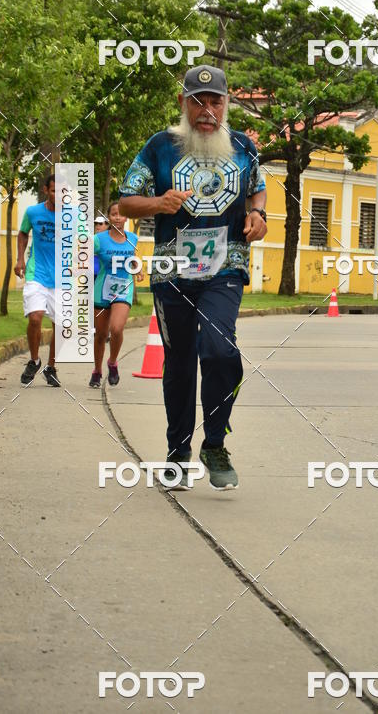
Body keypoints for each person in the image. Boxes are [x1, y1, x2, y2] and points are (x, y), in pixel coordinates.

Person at [118, 64, 267, 491]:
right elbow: (126, 202)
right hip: (171, 270)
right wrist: (158, 204)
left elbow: (257, 190)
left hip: (225, 267)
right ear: (183, 103)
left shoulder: (243, 147)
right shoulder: (159, 147)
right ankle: (178, 452)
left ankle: (215, 444)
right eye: (197, 100)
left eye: (215, 101)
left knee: (219, 350)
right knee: (180, 360)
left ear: (226, 105)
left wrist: (257, 215)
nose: (206, 109)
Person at [91, 201, 143, 388]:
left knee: (117, 328)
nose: (118, 217)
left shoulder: (132, 238)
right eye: (114, 214)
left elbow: (134, 260)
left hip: (123, 288)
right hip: (102, 289)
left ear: (126, 216)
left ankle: (112, 362)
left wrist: (138, 270)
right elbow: (82, 255)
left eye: (121, 214)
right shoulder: (99, 239)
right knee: (101, 334)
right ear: (109, 217)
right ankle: (97, 371)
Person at [15, 173, 60, 387]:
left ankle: (50, 367)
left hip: (62, 279)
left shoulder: (73, 216)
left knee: (61, 326)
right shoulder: (33, 212)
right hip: (37, 274)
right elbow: (23, 233)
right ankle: (34, 360)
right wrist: (19, 260)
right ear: (46, 190)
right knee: (35, 318)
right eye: (54, 190)